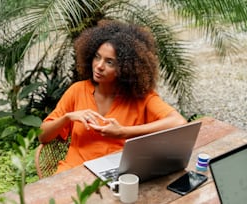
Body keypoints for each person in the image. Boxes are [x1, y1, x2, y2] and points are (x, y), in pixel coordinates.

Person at [39, 20, 187, 173]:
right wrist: (68, 117)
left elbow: (179, 122)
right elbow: (42, 136)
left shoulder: (140, 98)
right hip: (73, 172)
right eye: (97, 57)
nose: (99, 66)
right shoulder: (77, 91)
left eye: (109, 62)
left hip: (116, 173)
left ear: (126, 68)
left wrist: (123, 132)